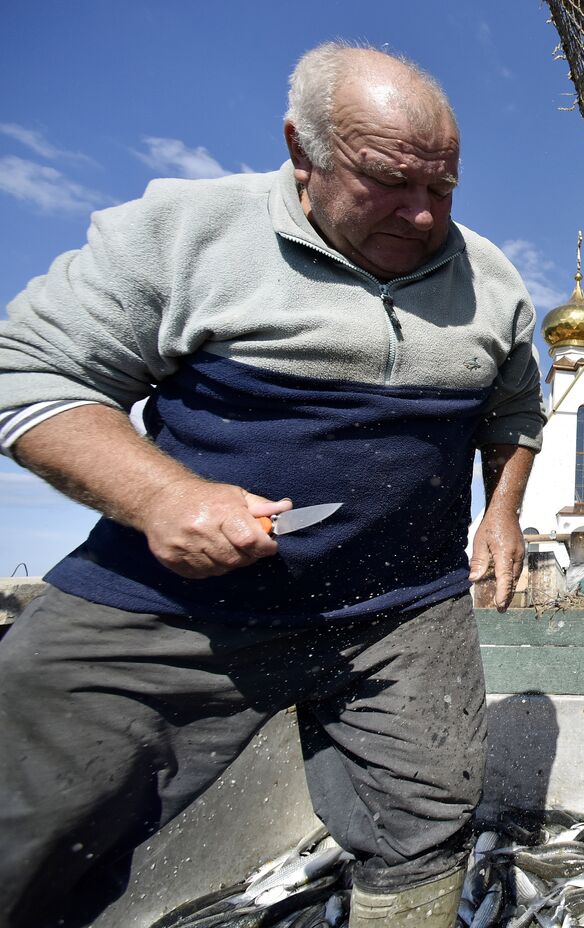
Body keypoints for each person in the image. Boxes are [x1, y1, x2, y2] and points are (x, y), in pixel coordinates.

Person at [0, 42, 544, 928]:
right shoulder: (181, 233)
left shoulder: (492, 277)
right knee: (25, 818)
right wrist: (164, 500)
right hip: (172, 606)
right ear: (304, 151)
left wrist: (503, 515)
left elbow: (514, 410)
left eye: (441, 188)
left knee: (425, 824)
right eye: (387, 182)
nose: (420, 216)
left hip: (403, 610)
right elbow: (29, 374)